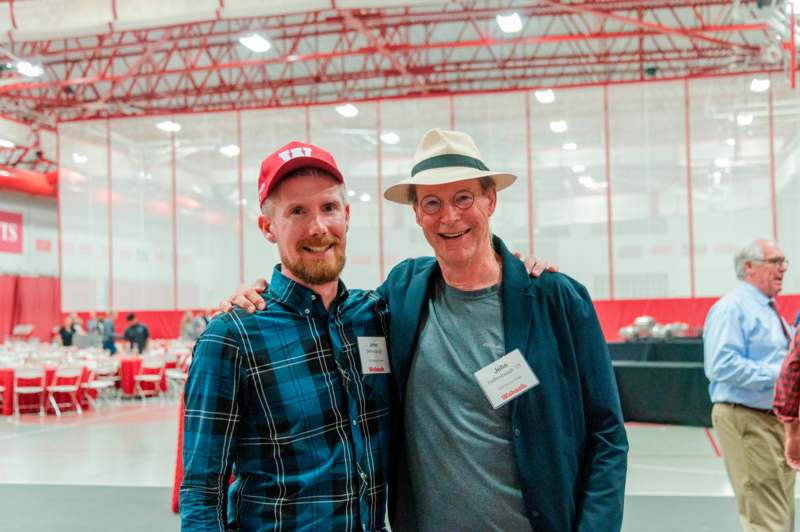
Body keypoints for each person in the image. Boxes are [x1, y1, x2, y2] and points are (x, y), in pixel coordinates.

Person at [224, 129, 628, 531]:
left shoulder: (555, 300)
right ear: (417, 213)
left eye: (463, 198)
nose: (449, 216)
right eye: (432, 202)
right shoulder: (402, 292)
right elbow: (325, 306)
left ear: (490, 200)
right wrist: (260, 294)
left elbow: (607, 434)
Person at [181, 142, 393, 531]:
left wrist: (521, 272)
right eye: (297, 211)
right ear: (268, 228)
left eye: (329, 208)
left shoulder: (375, 315)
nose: (318, 227)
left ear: (346, 216)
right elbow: (201, 491)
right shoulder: (232, 337)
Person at [704, 238, 793, 531]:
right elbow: (721, 365)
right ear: (749, 267)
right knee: (765, 515)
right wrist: (782, 374)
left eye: (784, 262)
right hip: (747, 419)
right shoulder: (732, 308)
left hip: (775, 421)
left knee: (780, 511)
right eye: (776, 261)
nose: (783, 268)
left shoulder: (768, 310)